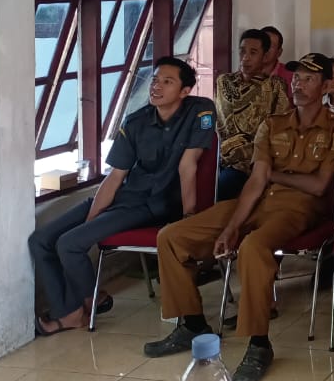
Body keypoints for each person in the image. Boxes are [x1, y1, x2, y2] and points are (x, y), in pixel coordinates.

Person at [145, 53, 334, 381]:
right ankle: (192, 324)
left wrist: (273, 175)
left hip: (300, 208)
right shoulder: (273, 124)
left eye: (309, 79)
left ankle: (259, 344)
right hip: (255, 200)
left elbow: (318, 186)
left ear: (326, 86)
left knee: (254, 246)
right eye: (297, 78)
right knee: (171, 236)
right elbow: (256, 181)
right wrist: (231, 227)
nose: (299, 85)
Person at [30, 58, 213, 335]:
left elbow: (188, 167)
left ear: (185, 91)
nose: (156, 86)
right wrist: (92, 219)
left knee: (68, 244)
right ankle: (74, 307)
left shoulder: (200, 111)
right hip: (125, 196)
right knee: (41, 240)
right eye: (154, 80)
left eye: (167, 82)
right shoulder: (136, 121)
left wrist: (189, 219)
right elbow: (116, 176)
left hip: (153, 205)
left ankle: (80, 308)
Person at [215, 29, 292, 201]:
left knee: (224, 184)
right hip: (220, 157)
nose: (245, 57)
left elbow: (279, 127)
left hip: (252, 162)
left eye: (253, 52)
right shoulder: (224, 82)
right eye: (242, 51)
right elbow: (220, 122)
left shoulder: (274, 86)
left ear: (265, 56)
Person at [261, 25, 294, 97]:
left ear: (279, 52)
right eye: (263, 44)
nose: (265, 49)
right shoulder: (245, 74)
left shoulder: (291, 77)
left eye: (271, 45)